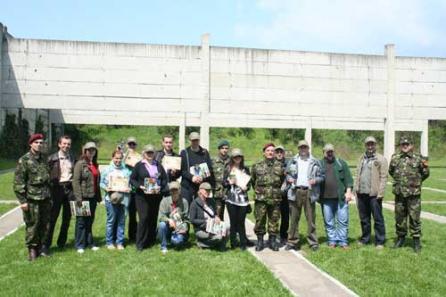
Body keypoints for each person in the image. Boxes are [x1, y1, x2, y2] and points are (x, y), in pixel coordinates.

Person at [13, 133, 51, 261]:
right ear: (31, 144)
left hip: (45, 197)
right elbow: (18, 182)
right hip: (32, 198)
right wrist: (23, 201)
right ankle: (32, 250)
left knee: (44, 224)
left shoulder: (44, 159)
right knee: (32, 224)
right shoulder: (24, 160)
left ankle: (40, 247)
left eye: (41, 143)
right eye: (37, 142)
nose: (39, 145)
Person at [389, 136, 429, 253]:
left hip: (413, 194)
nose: (405, 146)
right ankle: (400, 239)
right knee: (400, 217)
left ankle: (416, 242)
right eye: (403, 144)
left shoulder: (419, 158)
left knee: (414, 217)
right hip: (399, 193)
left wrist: (415, 183)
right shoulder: (395, 158)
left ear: (411, 145)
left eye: (407, 144)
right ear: (400, 146)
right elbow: (391, 171)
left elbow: (425, 173)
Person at [285, 140, 324, 251]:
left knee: (311, 218)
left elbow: (322, 176)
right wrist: (289, 178)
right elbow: (286, 174)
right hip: (295, 191)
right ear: (298, 149)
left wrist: (315, 180)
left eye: (305, 147)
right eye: (301, 148)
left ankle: (313, 242)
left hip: (309, 192)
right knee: (294, 218)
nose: (303, 149)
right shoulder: (292, 161)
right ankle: (292, 241)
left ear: (308, 148)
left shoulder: (315, 161)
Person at [130, 144, 169, 251]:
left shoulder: (158, 165)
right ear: (144, 153)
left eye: (152, 152)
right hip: (142, 196)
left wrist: (161, 187)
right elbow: (132, 180)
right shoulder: (139, 165)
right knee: (143, 218)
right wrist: (140, 186)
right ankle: (140, 243)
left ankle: (150, 240)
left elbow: (165, 179)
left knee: (153, 218)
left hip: (156, 196)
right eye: (148, 152)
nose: (150, 154)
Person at [354, 136, 388, 249]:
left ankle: (380, 241)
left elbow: (384, 177)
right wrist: (356, 189)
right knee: (364, 219)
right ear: (365, 145)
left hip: (374, 194)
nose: (370, 146)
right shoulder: (361, 158)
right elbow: (357, 174)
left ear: (375, 145)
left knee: (378, 219)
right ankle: (365, 239)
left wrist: (380, 193)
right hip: (362, 193)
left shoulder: (381, 159)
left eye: (372, 144)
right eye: (368, 144)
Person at [319, 144, 354, 249]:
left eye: (331, 151)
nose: (330, 153)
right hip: (326, 199)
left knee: (342, 221)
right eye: (327, 152)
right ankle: (332, 241)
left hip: (341, 199)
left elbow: (349, 179)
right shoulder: (319, 164)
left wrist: (348, 192)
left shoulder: (341, 163)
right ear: (323, 152)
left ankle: (343, 241)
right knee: (329, 221)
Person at [251, 143, 285, 252]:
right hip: (261, 198)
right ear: (264, 152)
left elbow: (282, 180)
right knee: (260, 220)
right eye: (268, 150)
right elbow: (253, 180)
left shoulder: (279, 166)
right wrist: (260, 191)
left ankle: (272, 241)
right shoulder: (257, 165)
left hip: (275, 198)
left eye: (272, 151)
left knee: (274, 220)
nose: (270, 152)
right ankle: (260, 241)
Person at [46, 135, 76, 252]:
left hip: (69, 189)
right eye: (64, 143)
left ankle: (61, 243)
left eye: (68, 144)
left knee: (67, 218)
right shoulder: (51, 159)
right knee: (52, 218)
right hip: (56, 189)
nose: (66, 146)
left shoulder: (73, 158)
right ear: (59, 144)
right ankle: (46, 244)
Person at [72, 142, 102, 254]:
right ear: (85, 151)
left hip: (93, 197)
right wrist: (79, 198)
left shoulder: (94, 164)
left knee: (90, 221)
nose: (91, 152)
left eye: (93, 150)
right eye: (89, 150)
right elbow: (76, 182)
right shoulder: (80, 164)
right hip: (83, 198)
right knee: (81, 221)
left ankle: (90, 242)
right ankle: (79, 244)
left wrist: (98, 197)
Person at [100, 150, 132, 250]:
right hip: (110, 199)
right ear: (112, 158)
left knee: (121, 221)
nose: (118, 160)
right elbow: (101, 183)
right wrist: (106, 188)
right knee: (111, 221)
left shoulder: (126, 170)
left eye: (120, 158)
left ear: (122, 159)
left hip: (124, 199)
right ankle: (109, 242)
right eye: (116, 158)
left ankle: (120, 242)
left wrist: (130, 188)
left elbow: (130, 184)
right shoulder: (107, 169)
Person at [222, 148, 251, 250]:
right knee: (233, 222)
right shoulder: (228, 168)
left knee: (241, 222)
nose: (237, 158)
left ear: (241, 157)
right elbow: (224, 183)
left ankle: (243, 244)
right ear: (232, 158)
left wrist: (246, 187)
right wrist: (229, 183)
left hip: (243, 200)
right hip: (231, 199)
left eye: (239, 156)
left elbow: (249, 184)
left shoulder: (246, 169)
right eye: (235, 157)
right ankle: (233, 243)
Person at [179, 132, 214, 205]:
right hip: (188, 187)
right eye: (193, 140)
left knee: (200, 209)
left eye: (196, 140)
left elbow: (209, 169)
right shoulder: (184, 153)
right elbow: (182, 170)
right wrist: (192, 177)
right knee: (186, 208)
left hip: (201, 186)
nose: (195, 142)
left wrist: (202, 178)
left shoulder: (204, 152)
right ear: (189, 141)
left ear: (199, 140)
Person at [190, 182, 228, 249]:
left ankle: (221, 246)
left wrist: (216, 217)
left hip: (212, 227)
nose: (208, 192)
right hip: (201, 229)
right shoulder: (194, 203)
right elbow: (192, 220)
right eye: (206, 190)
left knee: (227, 229)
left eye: (209, 190)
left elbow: (215, 214)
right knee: (218, 237)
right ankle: (202, 244)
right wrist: (205, 222)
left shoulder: (211, 201)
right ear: (200, 190)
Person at [157, 181, 189, 254]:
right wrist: (169, 220)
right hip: (167, 227)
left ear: (180, 190)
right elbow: (160, 217)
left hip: (179, 228)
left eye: (176, 190)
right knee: (162, 224)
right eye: (172, 190)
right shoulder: (164, 201)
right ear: (170, 191)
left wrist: (184, 228)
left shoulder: (184, 202)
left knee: (178, 242)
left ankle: (173, 240)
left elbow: (187, 219)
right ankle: (163, 246)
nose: (174, 192)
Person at [123, 137, 139, 242]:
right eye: (130, 144)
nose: (132, 146)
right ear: (126, 145)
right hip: (124, 189)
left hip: (135, 190)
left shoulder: (139, 157)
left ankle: (133, 236)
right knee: (122, 215)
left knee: (134, 214)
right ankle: (119, 237)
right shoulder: (122, 156)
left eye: (133, 144)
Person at [212, 139, 231, 220]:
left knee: (232, 214)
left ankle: (232, 231)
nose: (224, 150)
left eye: (226, 148)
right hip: (217, 192)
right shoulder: (213, 161)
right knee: (217, 213)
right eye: (222, 148)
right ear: (219, 149)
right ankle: (217, 232)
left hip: (229, 192)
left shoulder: (231, 161)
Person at [275, 145, 289, 246]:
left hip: (285, 195)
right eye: (277, 152)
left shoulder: (288, 164)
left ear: (284, 153)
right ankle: (274, 236)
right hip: (274, 195)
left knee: (285, 217)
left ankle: (283, 235)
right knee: (274, 217)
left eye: (281, 152)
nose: (279, 154)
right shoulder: (271, 163)